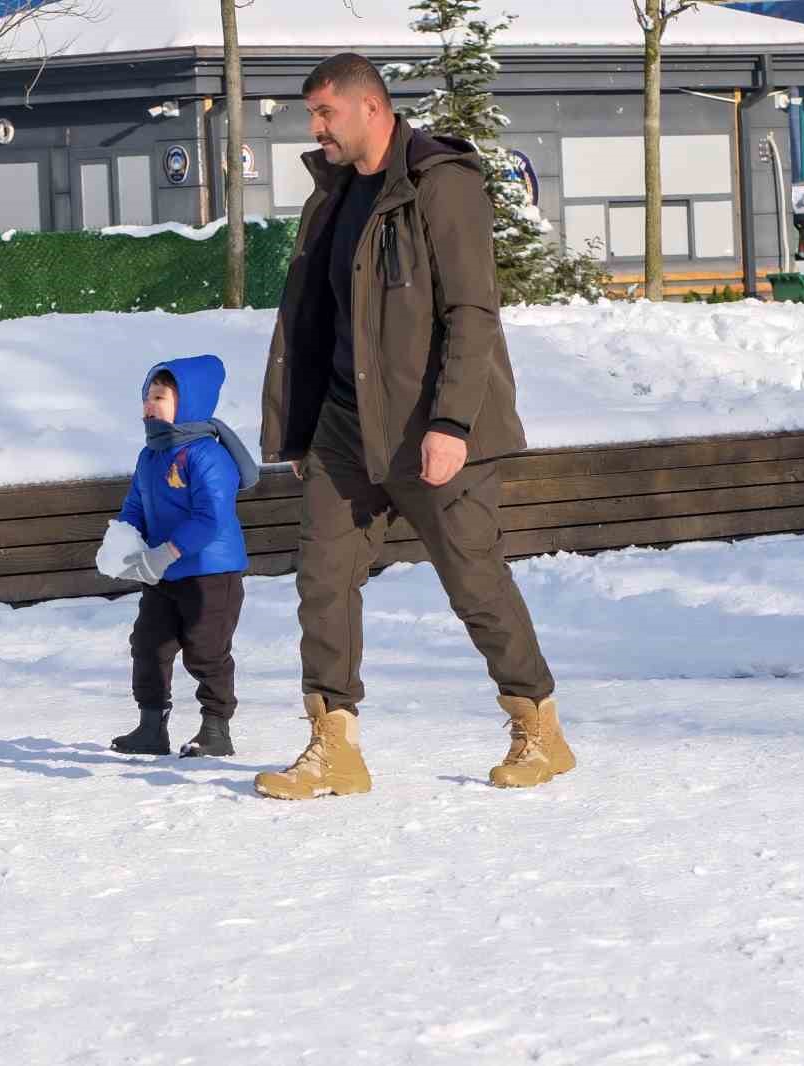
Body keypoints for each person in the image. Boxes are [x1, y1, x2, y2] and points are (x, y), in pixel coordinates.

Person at [255, 53, 576, 800]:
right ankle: (333, 745)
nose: (315, 129)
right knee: (322, 576)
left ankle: (539, 729)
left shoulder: (441, 181)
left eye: (324, 113)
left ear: (370, 108)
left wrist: (453, 421)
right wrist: (299, 429)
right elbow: (310, 319)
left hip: (430, 422)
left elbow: (471, 310)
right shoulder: (332, 195)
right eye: (312, 116)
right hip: (343, 422)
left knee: (474, 579)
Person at [107, 355, 259, 759]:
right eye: (147, 396)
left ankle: (215, 729)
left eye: (160, 396)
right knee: (148, 643)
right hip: (163, 572)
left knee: (205, 648)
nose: (150, 404)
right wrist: (122, 541)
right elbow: (135, 505)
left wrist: (167, 552)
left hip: (210, 572)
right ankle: (151, 727)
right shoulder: (150, 456)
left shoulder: (207, 455)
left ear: (187, 403)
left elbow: (211, 518)